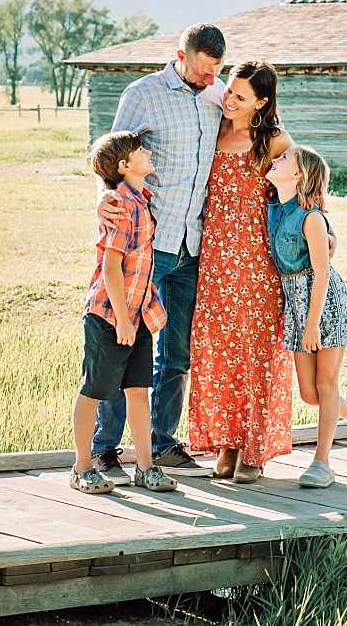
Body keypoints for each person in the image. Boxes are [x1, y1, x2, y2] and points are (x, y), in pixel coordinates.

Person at [92, 24, 227, 474]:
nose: (211, 80)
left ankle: (164, 442)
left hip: (194, 243)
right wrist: (103, 198)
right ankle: (104, 447)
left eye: (217, 71)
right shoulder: (143, 94)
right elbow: (110, 157)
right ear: (181, 55)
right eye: (205, 69)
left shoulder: (216, 94)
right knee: (125, 346)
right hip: (150, 242)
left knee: (177, 353)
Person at [186, 60, 295, 483]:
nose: (229, 100)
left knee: (257, 353)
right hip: (214, 260)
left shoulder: (273, 141)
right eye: (229, 91)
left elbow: (304, 185)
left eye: (240, 96)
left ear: (262, 102)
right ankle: (227, 443)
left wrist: (323, 228)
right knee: (219, 349)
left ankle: (255, 449)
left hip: (258, 262)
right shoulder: (213, 129)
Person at [264, 145, 347, 489]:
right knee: (310, 394)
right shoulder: (275, 209)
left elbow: (322, 271)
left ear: (298, 175)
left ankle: (322, 463)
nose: (276, 161)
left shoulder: (312, 218)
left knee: (326, 384)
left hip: (324, 303)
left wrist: (313, 322)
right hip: (296, 304)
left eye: (284, 160)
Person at [69, 131, 178, 495]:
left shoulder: (141, 199)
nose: (149, 152)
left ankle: (145, 468)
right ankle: (82, 466)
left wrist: (135, 319)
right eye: (140, 150)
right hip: (111, 316)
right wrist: (124, 319)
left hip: (139, 314)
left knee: (137, 390)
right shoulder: (121, 203)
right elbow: (111, 267)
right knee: (95, 389)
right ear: (124, 166)